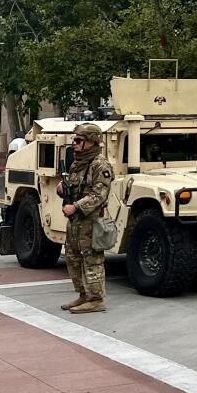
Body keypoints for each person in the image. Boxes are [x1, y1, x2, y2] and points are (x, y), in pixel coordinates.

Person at [57, 123, 114, 313]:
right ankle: (83, 295)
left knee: (92, 258)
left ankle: (96, 299)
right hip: (75, 220)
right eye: (74, 140)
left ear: (91, 142)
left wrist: (76, 207)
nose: (74, 143)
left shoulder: (100, 164)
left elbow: (99, 195)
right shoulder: (77, 163)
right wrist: (62, 190)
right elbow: (74, 188)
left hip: (91, 220)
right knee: (73, 257)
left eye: (78, 140)